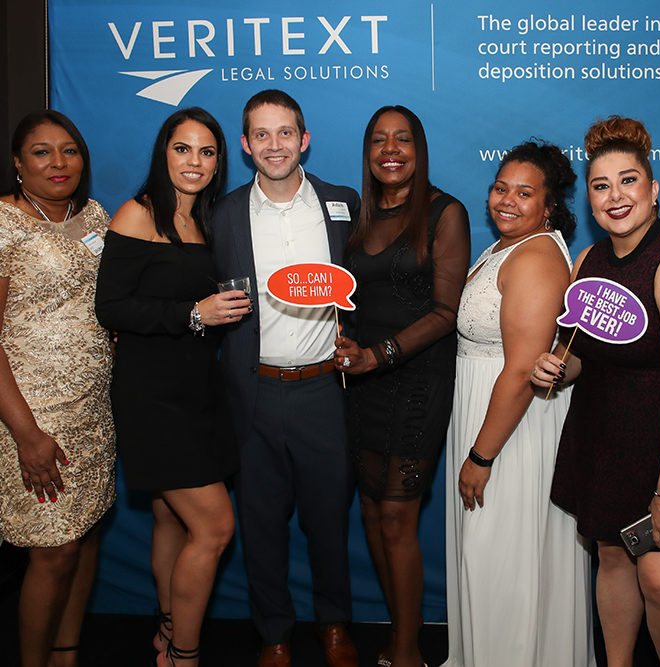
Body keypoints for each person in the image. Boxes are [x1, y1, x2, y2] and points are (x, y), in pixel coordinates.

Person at [532, 117, 660, 667]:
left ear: (653, 188)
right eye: (601, 185)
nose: (615, 196)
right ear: (590, 199)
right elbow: (581, 354)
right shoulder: (588, 261)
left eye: (628, 181)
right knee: (615, 561)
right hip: (604, 444)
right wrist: (557, 367)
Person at [211, 90, 359, 667]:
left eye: (286, 133)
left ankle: (335, 626)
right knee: (261, 522)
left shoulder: (341, 203)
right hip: (254, 391)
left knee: (329, 520)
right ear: (246, 146)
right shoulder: (222, 214)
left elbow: (367, 282)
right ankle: (273, 633)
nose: (275, 145)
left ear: (305, 139)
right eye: (262, 135)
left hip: (324, 389)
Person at [95, 107, 245, 667]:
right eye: (183, 149)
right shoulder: (138, 213)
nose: (194, 162)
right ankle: (184, 654)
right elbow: (111, 307)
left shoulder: (204, 220)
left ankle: (166, 627)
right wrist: (193, 314)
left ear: (219, 162)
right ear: (164, 153)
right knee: (215, 525)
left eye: (207, 152)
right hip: (152, 394)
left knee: (168, 515)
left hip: (199, 386)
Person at [441, 141, 594, 667]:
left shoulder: (536, 257)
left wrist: (481, 456)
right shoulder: (507, 247)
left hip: (512, 427)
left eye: (524, 193)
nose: (507, 200)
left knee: (502, 560)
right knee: (489, 557)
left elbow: (522, 369)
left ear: (549, 206)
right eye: (500, 188)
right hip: (489, 411)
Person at [332, 105, 470, 667]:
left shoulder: (445, 212)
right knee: (370, 512)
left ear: (419, 149)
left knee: (395, 517)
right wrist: (346, 342)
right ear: (367, 152)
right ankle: (396, 635)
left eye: (403, 139)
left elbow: (445, 312)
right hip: (362, 382)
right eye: (379, 140)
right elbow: (352, 299)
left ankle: (408, 653)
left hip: (417, 380)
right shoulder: (359, 217)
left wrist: (377, 355)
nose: (391, 150)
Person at [0, 110, 114, 667]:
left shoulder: (94, 215)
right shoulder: (4, 221)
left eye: (69, 150)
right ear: (18, 164)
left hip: (94, 409)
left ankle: (66, 656)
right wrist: (27, 435)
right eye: (41, 152)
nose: (58, 162)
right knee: (53, 551)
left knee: (85, 535)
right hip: (31, 413)